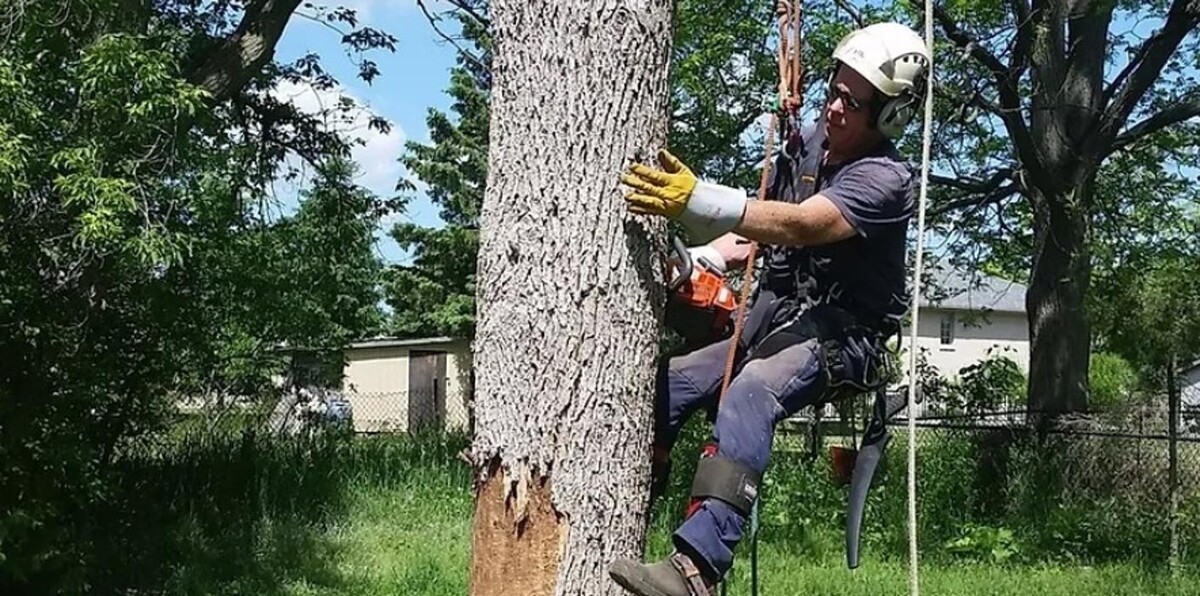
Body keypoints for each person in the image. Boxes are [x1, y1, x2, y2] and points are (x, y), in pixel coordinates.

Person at [608, 21, 930, 596]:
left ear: (890, 115)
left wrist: (700, 200)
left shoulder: (886, 178)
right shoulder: (807, 146)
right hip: (778, 318)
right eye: (834, 89)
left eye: (851, 103)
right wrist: (706, 256)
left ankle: (696, 570)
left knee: (750, 393)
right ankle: (624, 510)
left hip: (840, 333)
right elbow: (763, 229)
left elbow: (805, 225)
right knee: (668, 384)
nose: (833, 107)